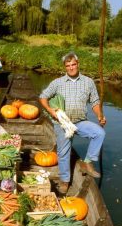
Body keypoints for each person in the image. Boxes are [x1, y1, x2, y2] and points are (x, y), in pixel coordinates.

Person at [39, 52, 106, 194]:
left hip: (80, 121)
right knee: (64, 152)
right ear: (65, 67)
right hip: (63, 123)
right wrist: (51, 111)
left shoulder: (88, 82)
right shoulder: (57, 83)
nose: (71, 68)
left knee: (99, 133)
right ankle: (65, 180)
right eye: (68, 65)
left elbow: (94, 102)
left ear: (78, 64)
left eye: (73, 64)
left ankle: (87, 162)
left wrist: (100, 115)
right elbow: (43, 97)